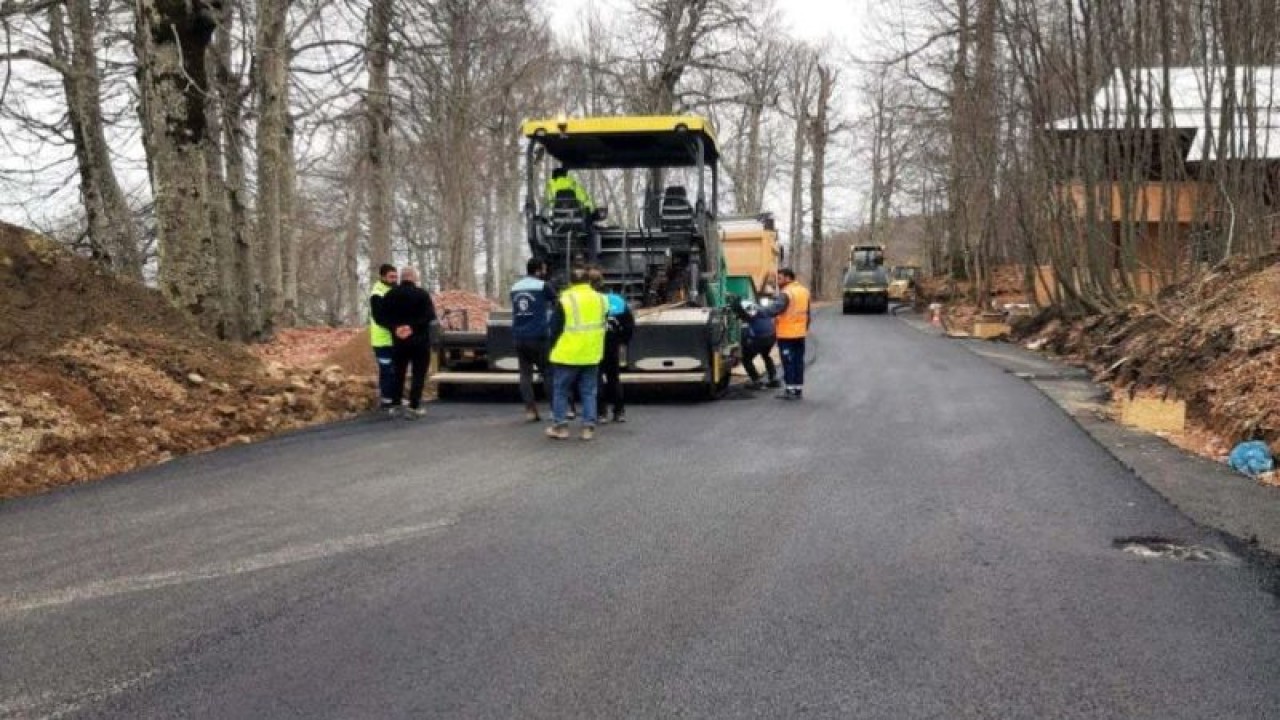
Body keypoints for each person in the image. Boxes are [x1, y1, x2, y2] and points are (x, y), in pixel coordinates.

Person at [546, 266, 608, 440]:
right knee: (589, 392)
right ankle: (588, 428)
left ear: (571, 282)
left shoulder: (565, 299)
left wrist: (552, 348)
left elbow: (555, 328)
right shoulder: (601, 299)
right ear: (589, 281)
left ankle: (561, 427)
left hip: (567, 354)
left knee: (560, 390)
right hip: (591, 353)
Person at [383, 267, 437, 419]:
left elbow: (382, 317)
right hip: (419, 341)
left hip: (399, 341)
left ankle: (395, 404)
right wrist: (412, 326)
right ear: (413, 277)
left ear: (402, 278)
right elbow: (429, 316)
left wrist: (396, 328)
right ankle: (414, 406)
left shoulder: (390, 294)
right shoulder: (422, 294)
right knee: (418, 374)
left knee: (398, 372)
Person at [511, 257, 556, 422]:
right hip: (539, 336)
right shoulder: (543, 286)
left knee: (525, 374)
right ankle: (554, 410)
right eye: (543, 269)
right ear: (538, 270)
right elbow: (556, 302)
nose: (545, 272)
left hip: (519, 336)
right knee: (548, 372)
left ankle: (530, 410)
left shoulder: (515, 287)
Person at [591, 271, 634, 424]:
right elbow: (629, 323)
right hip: (613, 343)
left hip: (594, 344)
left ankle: (601, 413)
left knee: (596, 379)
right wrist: (623, 341)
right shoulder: (617, 300)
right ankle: (619, 411)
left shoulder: (590, 301)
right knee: (614, 378)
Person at [772, 267, 811, 400]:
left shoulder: (786, 293)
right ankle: (798, 389)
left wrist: (758, 311)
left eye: (780, 278)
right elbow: (807, 314)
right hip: (800, 334)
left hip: (786, 335)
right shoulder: (804, 291)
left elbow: (775, 309)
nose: (778, 281)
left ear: (788, 278)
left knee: (788, 362)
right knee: (798, 361)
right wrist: (804, 329)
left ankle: (790, 389)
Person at [369, 264, 399, 413]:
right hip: (382, 340)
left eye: (395, 276)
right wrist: (395, 328)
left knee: (396, 369)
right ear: (382, 277)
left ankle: (394, 398)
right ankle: (387, 399)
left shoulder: (394, 289)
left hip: (395, 339)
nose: (394, 279)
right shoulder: (377, 293)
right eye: (391, 277)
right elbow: (379, 317)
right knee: (386, 369)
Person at [732, 298, 780, 390]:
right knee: (766, 355)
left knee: (746, 359)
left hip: (760, 337)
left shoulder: (748, 313)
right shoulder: (759, 307)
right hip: (772, 335)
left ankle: (756, 381)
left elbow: (746, 333)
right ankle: (774, 379)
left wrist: (744, 344)